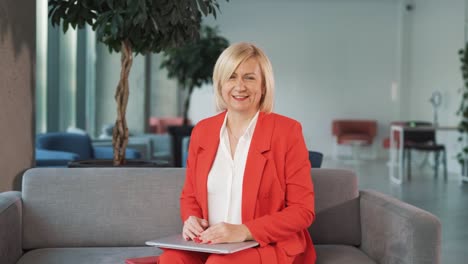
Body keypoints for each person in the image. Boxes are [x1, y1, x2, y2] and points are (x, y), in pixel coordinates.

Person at [159, 42, 316, 264]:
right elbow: (190, 195)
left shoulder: (287, 132)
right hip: (211, 243)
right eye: (231, 77)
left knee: (219, 263)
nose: (239, 86)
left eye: (249, 77)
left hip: (265, 244)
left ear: (264, 85)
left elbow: (302, 211)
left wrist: (244, 231)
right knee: (170, 259)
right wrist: (191, 219)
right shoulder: (202, 131)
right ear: (220, 84)